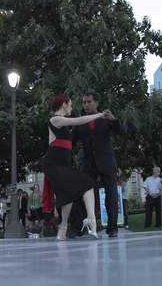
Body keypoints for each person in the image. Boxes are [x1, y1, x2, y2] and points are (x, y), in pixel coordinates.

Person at [42, 93, 109, 240]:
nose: (72, 107)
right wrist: (98, 115)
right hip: (54, 165)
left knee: (68, 196)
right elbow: (79, 120)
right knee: (87, 184)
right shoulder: (56, 119)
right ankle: (91, 221)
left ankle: (63, 229)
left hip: (62, 164)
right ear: (64, 104)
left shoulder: (62, 123)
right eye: (71, 104)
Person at [71, 92, 122, 238]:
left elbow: (120, 131)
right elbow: (70, 142)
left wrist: (114, 120)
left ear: (96, 103)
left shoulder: (105, 118)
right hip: (88, 164)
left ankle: (112, 228)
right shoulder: (80, 121)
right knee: (80, 194)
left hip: (107, 163)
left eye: (89, 102)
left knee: (111, 195)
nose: (86, 105)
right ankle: (78, 227)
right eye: (84, 102)